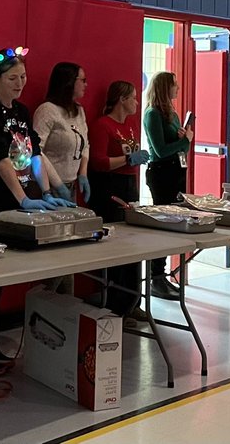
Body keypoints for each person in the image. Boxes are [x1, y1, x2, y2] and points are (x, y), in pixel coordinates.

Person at [0, 46, 75, 377]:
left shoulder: (23, 111)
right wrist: (22, 198)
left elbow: (35, 154)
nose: (20, 83)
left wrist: (48, 190)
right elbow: (0, 159)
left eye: (23, 77)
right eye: (12, 78)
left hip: (16, 207)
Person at [87, 80, 151, 316]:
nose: (136, 102)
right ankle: (114, 303)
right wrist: (127, 160)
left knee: (132, 243)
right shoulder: (103, 126)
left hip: (129, 185)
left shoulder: (132, 124)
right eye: (133, 97)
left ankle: (132, 300)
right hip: (109, 188)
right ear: (121, 100)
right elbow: (99, 162)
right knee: (115, 247)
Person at [33, 62, 90, 295]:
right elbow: (37, 151)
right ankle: (41, 308)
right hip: (47, 189)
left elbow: (86, 144)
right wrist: (55, 185)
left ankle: (67, 310)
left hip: (72, 185)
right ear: (69, 82)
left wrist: (83, 174)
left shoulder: (79, 111)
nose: (86, 85)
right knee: (54, 256)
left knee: (70, 253)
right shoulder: (47, 111)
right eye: (82, 80)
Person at [142, 72, 193, 300]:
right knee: (163, 223)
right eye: (174, 85)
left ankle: (161, 276)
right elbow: (161, 150)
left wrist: (184, 140)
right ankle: (156, 276)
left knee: (174, 223)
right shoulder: (152, 114)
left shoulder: (172, 113)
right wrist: (185, 140)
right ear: (165, 88)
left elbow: (182, 148)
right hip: (161, 173)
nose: (178, 88)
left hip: (176, 171)